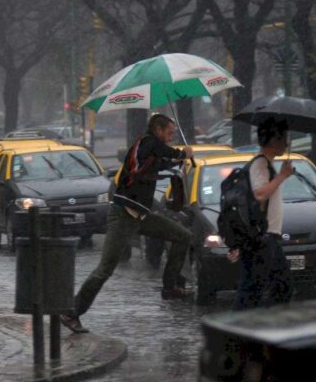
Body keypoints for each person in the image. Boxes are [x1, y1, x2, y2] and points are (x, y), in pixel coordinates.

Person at [60, 113, 194, 333]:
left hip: (140, 216)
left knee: (183, 236)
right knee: (105, 269)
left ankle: (170, 288)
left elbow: (161, 162)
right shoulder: (146, 142)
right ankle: (70, 312)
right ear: (158, 129)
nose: (171, 137)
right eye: (169, 133)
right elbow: (162, 153)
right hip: (122, 216)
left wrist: (178, 160)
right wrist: (183, 152)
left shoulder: (150, 150)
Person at [227, 122, 294, 310]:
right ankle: (235, 331)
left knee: (280, 286)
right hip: (261, 238)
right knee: (252, 291)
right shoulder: (260, 163)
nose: (286, 145)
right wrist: (282, 176)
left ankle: (263, 326)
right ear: (274, 140)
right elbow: (260, 194)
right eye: (284, 139)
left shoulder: (266, 163)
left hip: (267, 237)